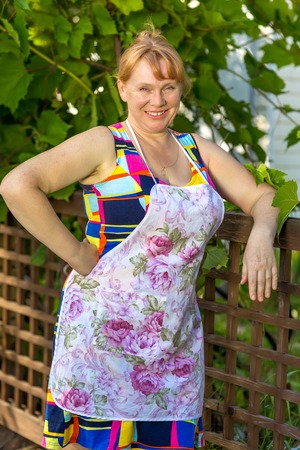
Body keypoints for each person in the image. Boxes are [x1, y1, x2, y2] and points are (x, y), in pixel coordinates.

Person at [0, 24, 278, 450]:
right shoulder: (105, 144)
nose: (158, 100)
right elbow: (17, 185)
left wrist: (261, 233)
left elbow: (264, 198)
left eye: (168, 87)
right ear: (123, 89)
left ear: (180, 91)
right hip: (101, 341)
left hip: (173, 344)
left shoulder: (195, 149)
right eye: (145, 87)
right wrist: (76, 253)